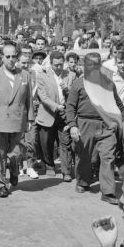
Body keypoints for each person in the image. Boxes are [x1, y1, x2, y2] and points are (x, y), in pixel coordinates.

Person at [65, 53, 124, 204]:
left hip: (107, 125)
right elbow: (70, 107)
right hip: (85, 124)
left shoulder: (108, 83)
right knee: (85, 156)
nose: (93, 67)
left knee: (108, 157)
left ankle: (108, 192)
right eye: (90, 64)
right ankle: (83, 182)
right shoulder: (78, 84)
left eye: (96, 64)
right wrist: (73, 125)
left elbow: (118, 105)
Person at [0, 42, 34, 198]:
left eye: (14, 56)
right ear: (2, 58)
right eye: (8, 56)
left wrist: (30, 118)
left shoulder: (24, 75)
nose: (11, 59)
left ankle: (13, 168)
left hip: (19, 120)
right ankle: (1, 184)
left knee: (16, 153)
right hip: (0, 120)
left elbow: (29, 100)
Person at [35, 51, 74, 181]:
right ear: (51, 63)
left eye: (61, 65)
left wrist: (67, 90)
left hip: (64, 114)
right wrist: (56, 106)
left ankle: (66, 171)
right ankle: (49, 165)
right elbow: (43, 97)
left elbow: (74, 96)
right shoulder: (42, 76)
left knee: (65, 142)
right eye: (56, 65)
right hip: (48, 113)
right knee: (47, 142)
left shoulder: (70, 75)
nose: (59, 67)